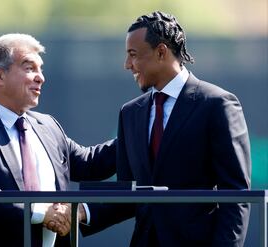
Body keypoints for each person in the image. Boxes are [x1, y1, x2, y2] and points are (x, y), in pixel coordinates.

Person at [81, 11, 251, 247]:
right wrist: (80, 213)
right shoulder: (131, 113)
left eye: (133, 55)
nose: (127, 65)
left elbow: (235, 195)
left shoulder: (216, 104)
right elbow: (127, 195)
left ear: (161, 52)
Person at [0, 33, 116, 247]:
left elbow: (90, 164)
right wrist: (39, 212)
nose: (41, 77)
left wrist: (141, 130)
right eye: (29, 68)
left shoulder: (47, 126)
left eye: (41, 69)